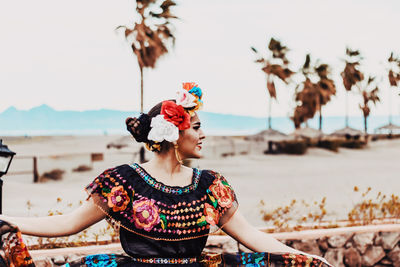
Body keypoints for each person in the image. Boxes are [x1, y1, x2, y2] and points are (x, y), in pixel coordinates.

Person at [0, 83, 331, 267]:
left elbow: (252, 237)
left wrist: (305, 258)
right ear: (174, 134)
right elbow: (67, 223)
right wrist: (6, 219)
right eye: (197, 128)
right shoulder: (123, 182)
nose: (203, 136)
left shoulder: (209, 185)